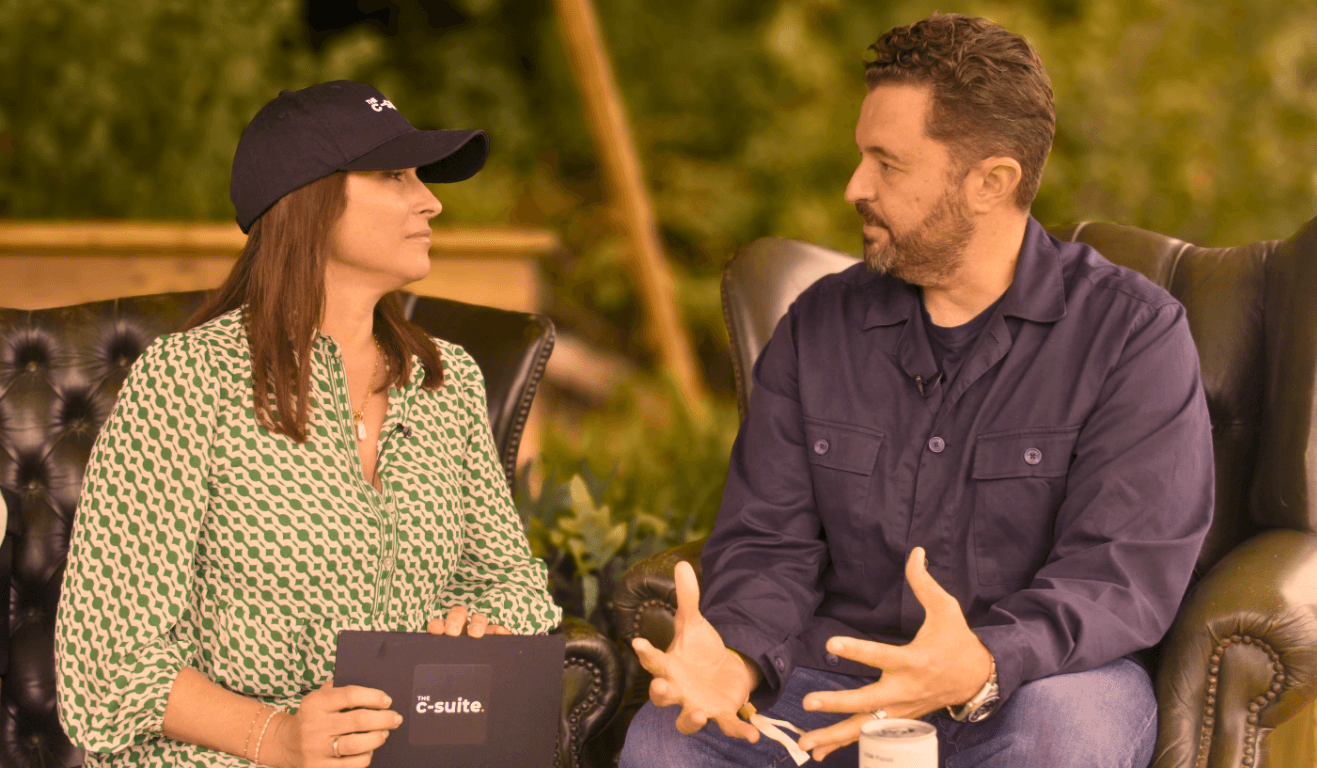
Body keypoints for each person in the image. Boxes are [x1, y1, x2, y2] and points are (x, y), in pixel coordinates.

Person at [622, 13, 1214, 768]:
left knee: (1069, 736)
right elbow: (771, 542)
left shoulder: (1132, 335)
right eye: (860, 156)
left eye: (887, 164)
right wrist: (734, 656)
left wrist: (980, 661)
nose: (854, 187)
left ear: (991, 182)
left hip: (1035, 685)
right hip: (834, 685)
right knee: (664, 745)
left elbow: (1119, 573)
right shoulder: (818, 326)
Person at [54, 80, 562, 767]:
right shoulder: (187, 383)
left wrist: (485, 627)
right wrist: (278, 737)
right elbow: (106, 664)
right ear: (310, 200)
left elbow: (512, 582)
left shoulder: (447, 380)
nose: (432, 201)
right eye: (394, 175)